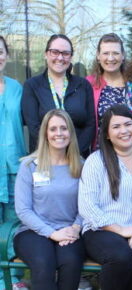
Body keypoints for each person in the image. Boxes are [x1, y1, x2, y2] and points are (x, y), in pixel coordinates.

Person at [78, 104, 132, 290]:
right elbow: (87, 206)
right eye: (116, 127)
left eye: (128, 124)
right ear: (107, 134)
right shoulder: (96, 161)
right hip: (102, 230)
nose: (124, 130)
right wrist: (121, 230)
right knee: (120, 257)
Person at [14, 109, 85, 290]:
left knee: (70, 262)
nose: (59, 134)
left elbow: (87, 205)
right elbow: (23, 210)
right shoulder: (29, 165)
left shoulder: (82, 165)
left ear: (71, 132)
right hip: (33, 231)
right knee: (43, 262)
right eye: (53, 129)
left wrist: (75, 228)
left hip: (69, 231)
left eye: (64, 128)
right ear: (45, 133)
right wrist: (52, 233)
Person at [21, 34, 95, 158]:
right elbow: (34, 127)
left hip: (78, 158)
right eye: (55, 52)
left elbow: (90, 124)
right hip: (45, 158)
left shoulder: (83, 85)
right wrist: (57, 154)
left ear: (71, 57)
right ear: (46, 54)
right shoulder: (32, 86)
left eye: (65, 53)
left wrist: (74, 152)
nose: (60, 57)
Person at [0, 35, 27, 290]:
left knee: (13, 228)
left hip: (14, 168)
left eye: (0, 51)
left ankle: (13, 280)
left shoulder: (17, 87)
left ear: (6, 55)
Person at [86, 33, 127, 148]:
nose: (110, 58)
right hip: (101, 153)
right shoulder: (88, 84)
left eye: (115, 53)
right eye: (106, 53)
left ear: (123, 56)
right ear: (98, 56)